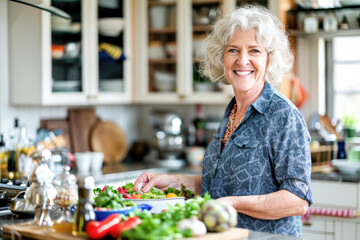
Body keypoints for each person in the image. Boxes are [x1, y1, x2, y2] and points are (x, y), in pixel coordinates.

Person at [134, 5, 312, 237]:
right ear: (222, 57)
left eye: (255, 51)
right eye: (233, 50)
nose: (242, 60)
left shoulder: (283, 115)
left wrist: (233, 204)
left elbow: (297, 201)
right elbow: (218, 185)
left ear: (269, 58)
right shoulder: (231, 112)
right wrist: (171, 180)